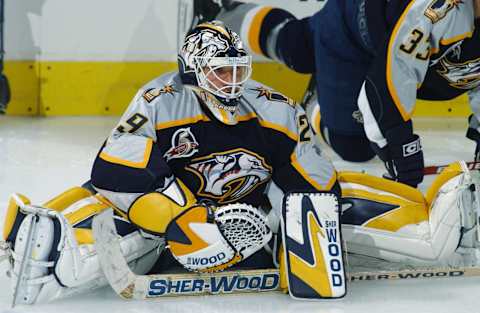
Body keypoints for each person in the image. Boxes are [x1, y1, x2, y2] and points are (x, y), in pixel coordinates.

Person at [3, 21, 480, 304]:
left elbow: (320, 187)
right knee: (109, 215)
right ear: (193, 69)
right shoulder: (158, 101)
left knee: (345, 205)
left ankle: (442, 217)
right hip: (176, 215)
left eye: (237, 70)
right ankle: (49, 247)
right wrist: (179, 221)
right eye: (220, 71)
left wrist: (272, 223)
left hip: (258, 210)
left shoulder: (273, 108)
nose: (231, 81)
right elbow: (112, 176)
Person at [196, 0, 480, 188]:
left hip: (393, 45)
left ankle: (311, 45)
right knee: (353, 144)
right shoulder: (435, 10)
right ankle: (225, 17)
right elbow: (387, 86)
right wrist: (404, 155)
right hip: (350, 34)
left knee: (305, 47)